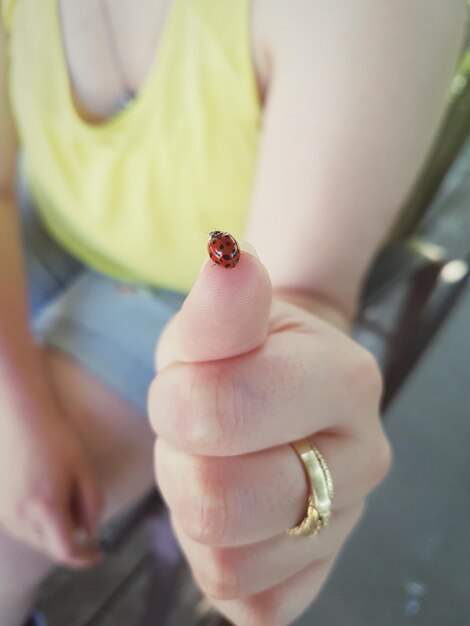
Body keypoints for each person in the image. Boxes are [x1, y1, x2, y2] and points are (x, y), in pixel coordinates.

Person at [0, 1, 466, 625]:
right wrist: (18, 405)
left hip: (180, 301)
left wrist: (291, 475)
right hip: (39, 210)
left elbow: (302, 301)